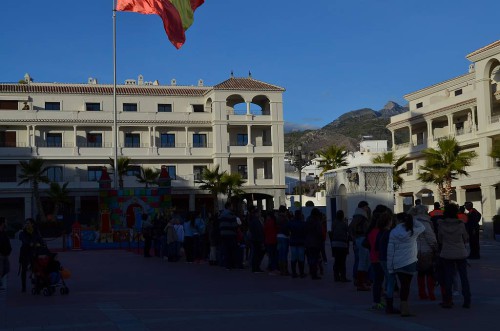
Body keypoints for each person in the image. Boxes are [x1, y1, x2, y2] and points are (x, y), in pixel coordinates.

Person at [387, 212, 425, 317]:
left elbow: (390, 251)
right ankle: (404, 307)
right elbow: (422, 227)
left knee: (401, 284)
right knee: (406, 285)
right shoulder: (412, 231)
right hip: (410, 262)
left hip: (397, 262)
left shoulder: (393, 232)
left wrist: (390, 267)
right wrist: (412, 220)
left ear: (397, 220)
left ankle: (402, 307)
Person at [439, 203, 471, 308]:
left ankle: (448, 300)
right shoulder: (460, 224)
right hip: (460, 252)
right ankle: (467, 300)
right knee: (463, 277)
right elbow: (466, 238)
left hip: (447, 253)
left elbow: (440, 239)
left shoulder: (441, 224)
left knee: (448, 277)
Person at [411, 204, 438, 300]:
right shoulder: (424, 222)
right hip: (425, 250)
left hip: (415, 250)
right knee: (430, 272)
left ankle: (422, 292)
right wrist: (435, 248)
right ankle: (431, 293)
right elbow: (430, 237)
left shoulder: (412, 221)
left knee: (421, 272)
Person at [348, 201, 371, 291]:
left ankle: (362, 281)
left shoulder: (360, 215)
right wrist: (355, 238)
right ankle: (361, 283)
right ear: (363, 207)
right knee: (362, 262)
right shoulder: (360, 216)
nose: (367, 208)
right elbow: (350, 227)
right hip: (361, 239)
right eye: (366, 207)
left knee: (365, 261)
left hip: (361, 239)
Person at [19, 218, 43, 292]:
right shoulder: (22, 233)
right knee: (24, 270)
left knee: (36, 269)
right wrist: (31, 244)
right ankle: (23, 287)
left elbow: (40, 240)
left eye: (28, 223)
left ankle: (37, 286)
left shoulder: (36, 232)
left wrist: (41, 244)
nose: (27, 224)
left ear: (32, 224)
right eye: (26, 223)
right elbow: (24, 240)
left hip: (34, 253)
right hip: (25, 253)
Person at [330, 210, 349, 282]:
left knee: (337, 261)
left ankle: (336, 276)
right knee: (342, 261)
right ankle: (343, 276)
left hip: (335, 243)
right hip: (343, 243)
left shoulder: (334, 223)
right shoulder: (344, 224)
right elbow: (348, 231)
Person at [305, 208, 324, 280]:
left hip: (308, 242)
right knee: (315, 258)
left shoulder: (308, 220)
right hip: (315, 242)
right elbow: (319, 232)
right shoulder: (317, 221)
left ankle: (311, 271)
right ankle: (314, 274)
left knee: (310, 258)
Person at [219, 202, 239, 270]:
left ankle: (226, 264)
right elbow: (234, 225)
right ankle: (231, 264)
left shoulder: (221, 215)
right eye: (232, 206)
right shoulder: (231, 214)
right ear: (229, 206)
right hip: (231, 234)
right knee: (232, 250)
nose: (232, 207)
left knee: (226, 250)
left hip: (223, 234)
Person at [288, 210, 307, 278]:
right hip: (301, 242)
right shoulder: (303, 223)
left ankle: (294, 273)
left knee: (294, 258)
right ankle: (301, 273)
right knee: (301, 258)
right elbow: (305, 233)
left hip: (293, 241)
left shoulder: (291, 222)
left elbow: (288, 229)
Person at [248, 207, 265, 273]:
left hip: (256, 239)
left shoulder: (256, 220)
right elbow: (258, 231)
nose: (260, 214)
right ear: (256, 213)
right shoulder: (256, 221)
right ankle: (255, 267)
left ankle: (256, 267)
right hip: (257, 239)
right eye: (259, 212)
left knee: (257, 253)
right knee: (257, 254)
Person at [276, 205, 290, 276]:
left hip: (278, 236)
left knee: (280, 254)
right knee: (284, 254)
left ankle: (281, 270)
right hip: (285, 237)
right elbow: (287, 227)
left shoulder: (277, 218)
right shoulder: (285, 218)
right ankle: (285, 270)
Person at [0, 217, 12, 292]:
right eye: (6, 222)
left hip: (5, 254)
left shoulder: (3, 232)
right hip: (0, 254)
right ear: (2, 223)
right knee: (1, 270)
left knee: (7, 268)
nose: (6, 223)